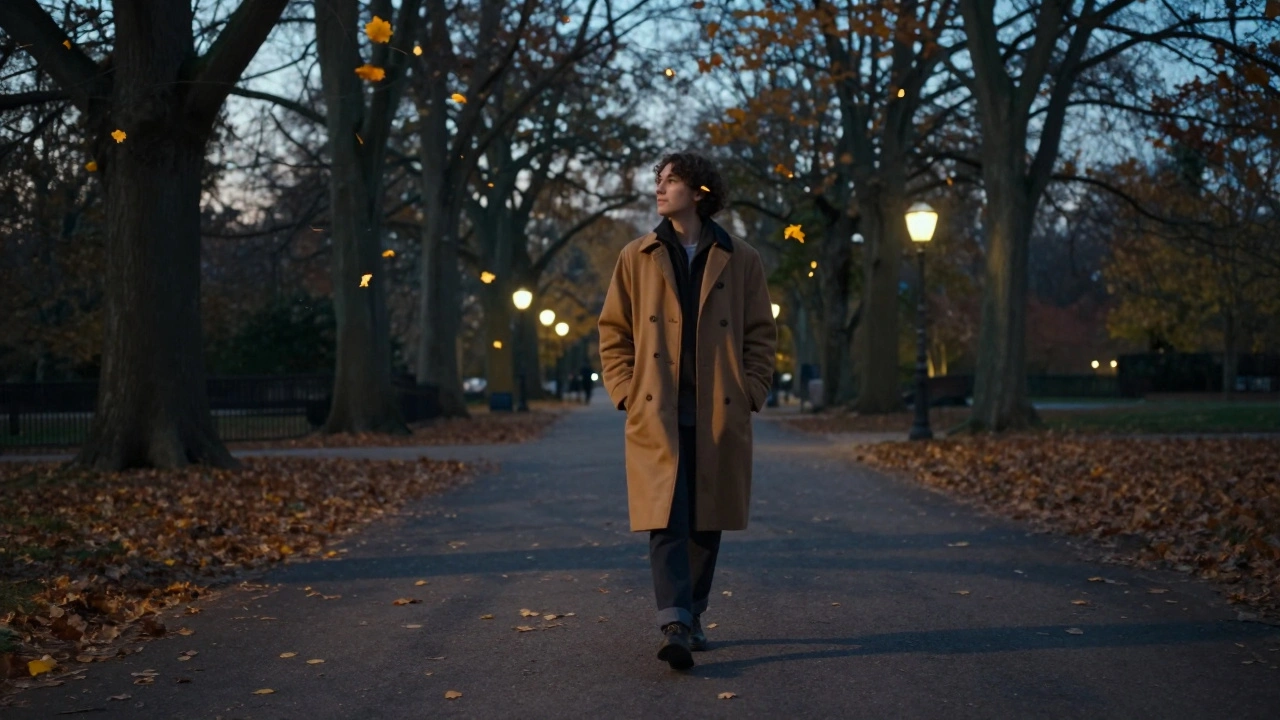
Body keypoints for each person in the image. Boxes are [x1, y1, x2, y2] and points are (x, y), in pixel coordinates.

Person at [597, 151, 777, 671]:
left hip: (718, 408)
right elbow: (614, 330)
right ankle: (674, 621)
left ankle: (693, 612)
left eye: (672, 180)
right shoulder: (638, 254)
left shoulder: (739, 256)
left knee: (705, 520)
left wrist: (752, 389)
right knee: (666, 517)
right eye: (659, 180)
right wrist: (627, 391)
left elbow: (761, 333)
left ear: (699, 192)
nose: (660, 188)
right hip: (658, 407)